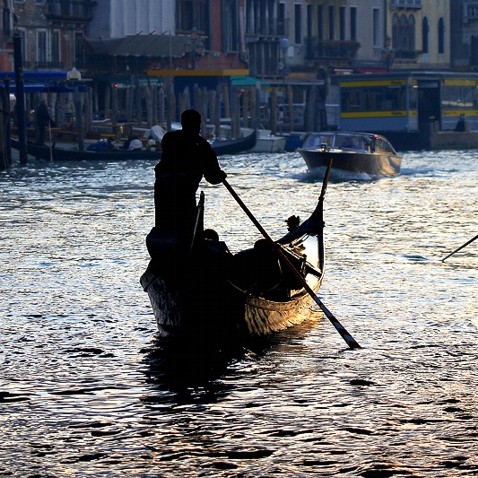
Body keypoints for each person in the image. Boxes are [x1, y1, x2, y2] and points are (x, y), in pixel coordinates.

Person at [154, 109, 226, 235]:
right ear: (198, 125)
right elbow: (213, 177)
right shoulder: (202, 145)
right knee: (186, 227)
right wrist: (221, 175)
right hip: (183, 190)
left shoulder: (169, 138)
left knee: (164, 224)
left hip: (162, 188)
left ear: (182, 123)